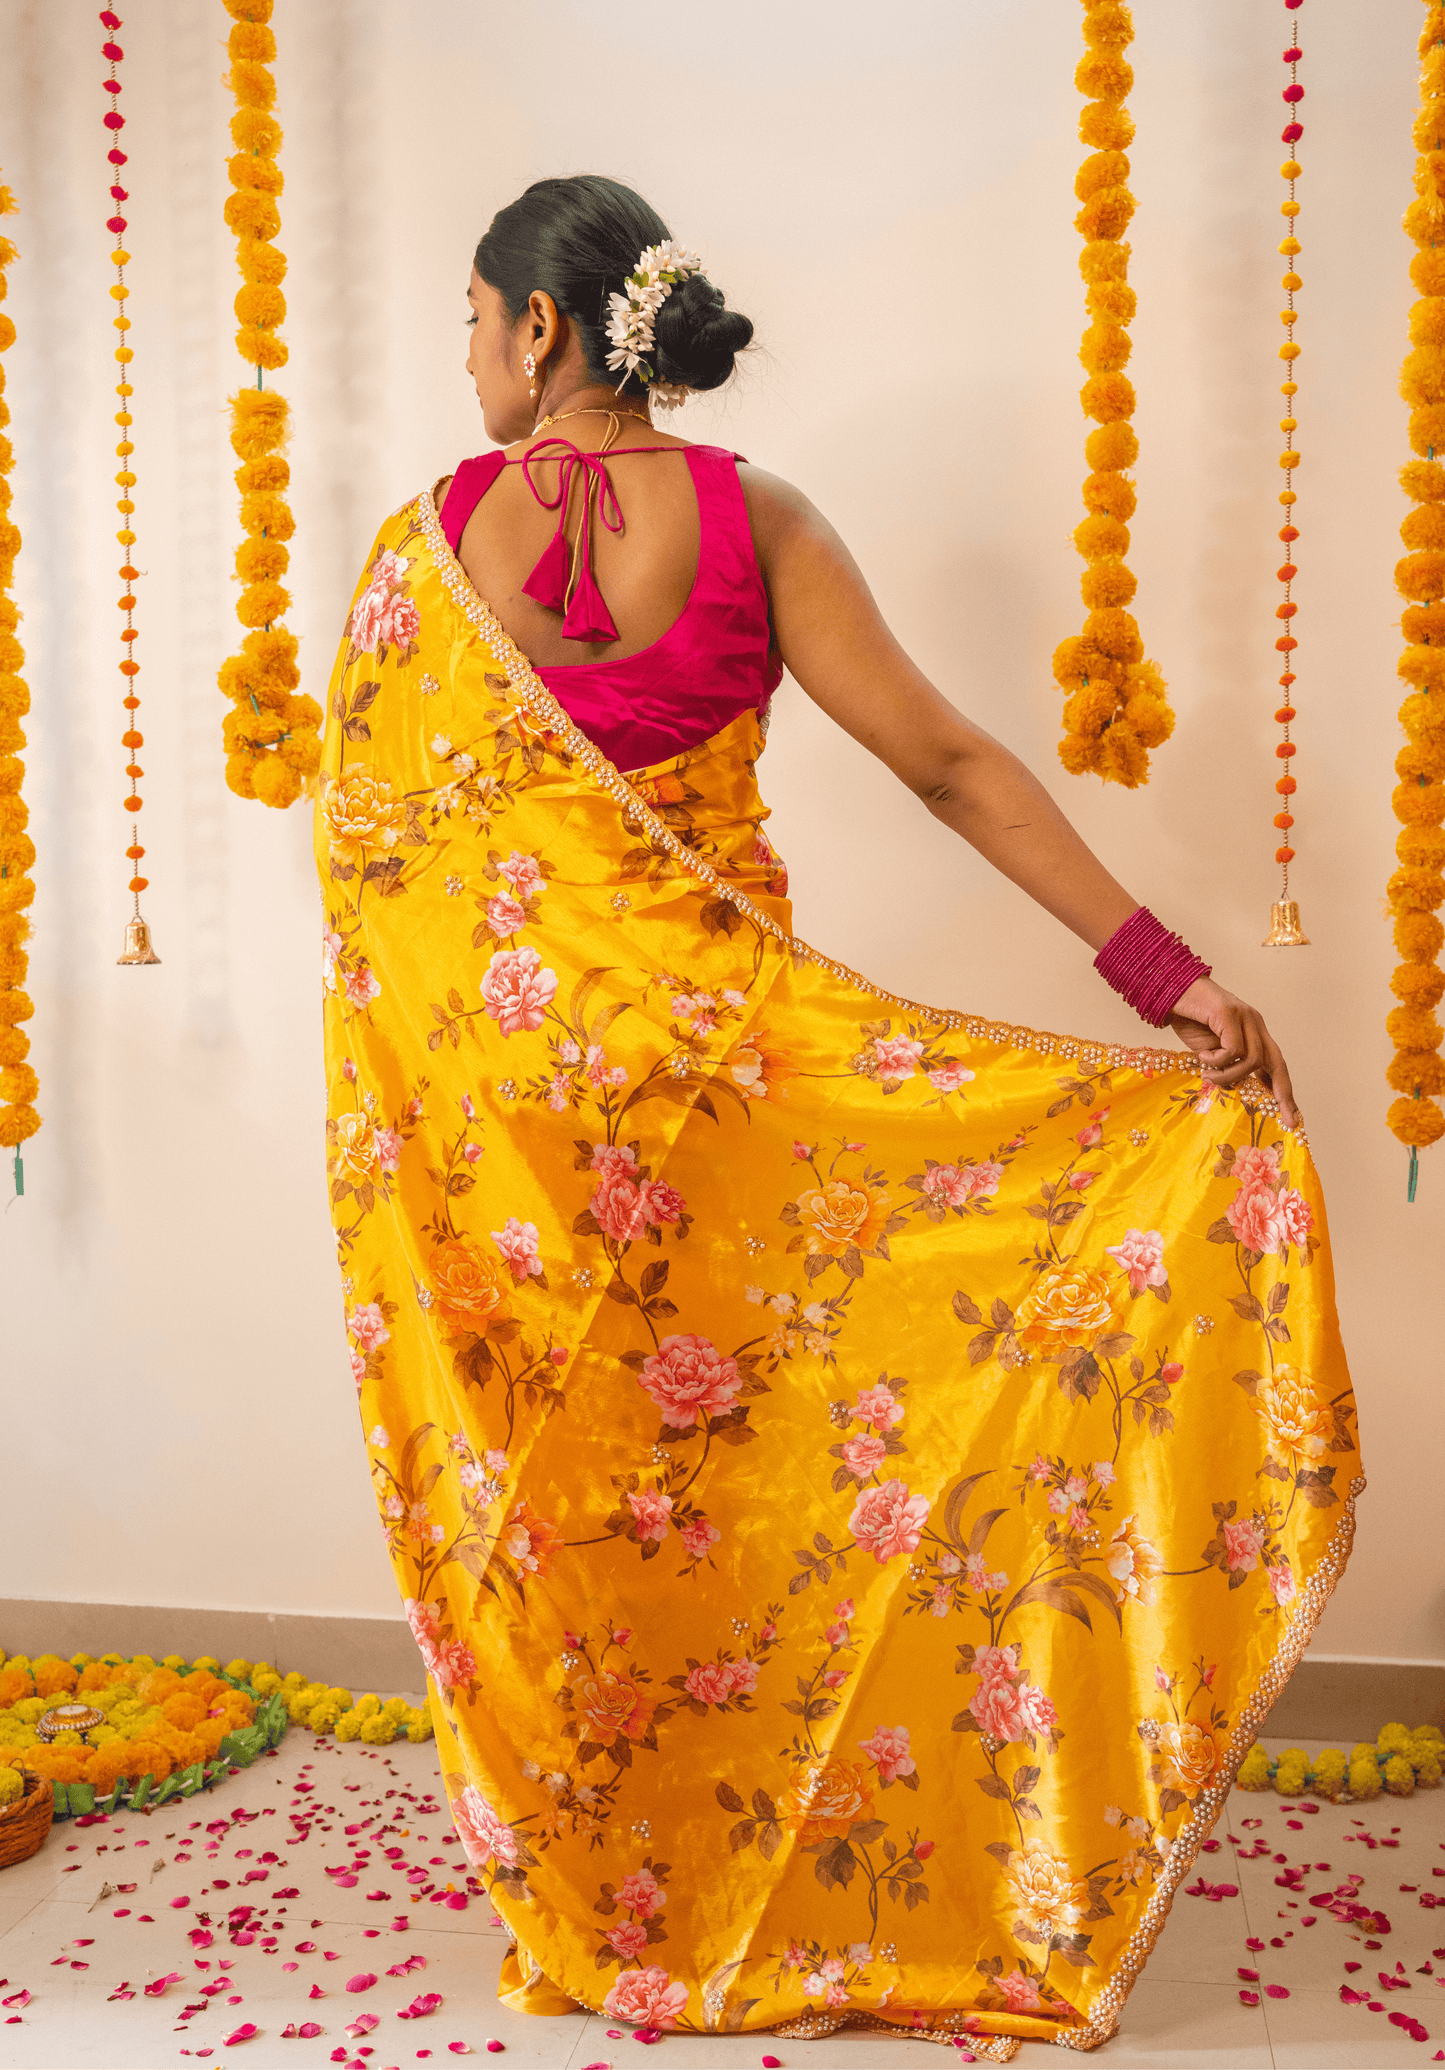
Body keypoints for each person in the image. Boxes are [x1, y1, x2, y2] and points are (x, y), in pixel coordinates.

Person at [315, 175, 1359, 2058]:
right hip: (735, 1102)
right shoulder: (753, 519)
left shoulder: (419, 559)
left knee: (584, 1517)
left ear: (545, 331)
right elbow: (952, 763)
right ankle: (799, 1867)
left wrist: (461, 1095)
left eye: (478, 318)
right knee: (768, 1483)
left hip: (516, 1157)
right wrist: (1163, 979)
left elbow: (379, 869)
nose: (467, 356)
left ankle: (621, 1896)